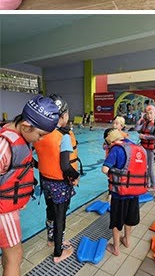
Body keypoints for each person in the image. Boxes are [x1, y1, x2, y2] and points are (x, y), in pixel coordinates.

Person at [0, 96, 60, 276]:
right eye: (40, 135)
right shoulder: (5, 146)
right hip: (3, 212)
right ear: (26, 126)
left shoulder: (19, 135)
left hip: (7, 208)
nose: (40, 140)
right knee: (15, 256)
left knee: (9, 253)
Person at [33, 95, 80, 263]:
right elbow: (66, 166)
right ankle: (58, 253)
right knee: (60, 216)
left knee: (51, 211)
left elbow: (36, 160)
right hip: (60, 184)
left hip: (45, 181)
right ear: (63, 115)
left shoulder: (39, 134)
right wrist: (76, 177)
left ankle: (51, 239)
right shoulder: (64, 136)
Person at [101, 128, 147, 256]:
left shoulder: (116, 149)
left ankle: (115, 248)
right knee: (129, 218)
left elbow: (105, 169)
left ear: (110, 140)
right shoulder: (136, 147)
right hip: (135, 192)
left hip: (119, 193)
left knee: (116, 221)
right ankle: (127, 240)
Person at [135, 105, 155, 192]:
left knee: (150, 167)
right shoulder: (145, 123)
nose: (149, 115)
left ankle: (154, 185)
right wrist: (140, 119)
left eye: (151, 113)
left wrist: (144, 137)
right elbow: (136, 129)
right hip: (144, 148)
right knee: (145, 167)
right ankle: (147, 183)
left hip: (150, 149)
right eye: (147, 113)